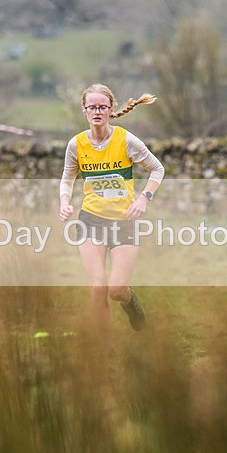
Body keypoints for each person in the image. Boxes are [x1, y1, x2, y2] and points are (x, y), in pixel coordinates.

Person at [59, 83, 164, 334]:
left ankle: (131, 301)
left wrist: (143, 199)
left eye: (102, 107)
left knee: (116, 289)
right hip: (90, 221)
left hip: (123, 222)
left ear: (110, 110)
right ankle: (105, 350)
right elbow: (67, 179)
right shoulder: (76, 145)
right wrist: (64, 203)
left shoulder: (126, 140)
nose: (97, 111)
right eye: (92, 107)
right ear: (84, 110)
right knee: (97, 288)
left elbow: (157, 168)